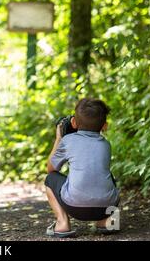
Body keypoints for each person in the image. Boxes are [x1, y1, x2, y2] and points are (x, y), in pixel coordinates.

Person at [44, 98, 120, 238]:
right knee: (108, 177)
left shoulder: (67, 140)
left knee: (50, 179)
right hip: (104, 207)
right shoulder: (106, 144)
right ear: (105, 126)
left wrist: (59, 139)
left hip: (75, 207)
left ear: (73, 122)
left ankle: (62, 223)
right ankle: (106, 221)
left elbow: (51, 169)